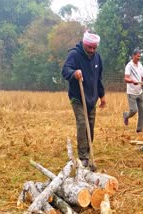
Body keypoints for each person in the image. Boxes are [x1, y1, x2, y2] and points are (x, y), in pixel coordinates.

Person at [62, 30, 106, 167]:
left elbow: (98, 79)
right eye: (89, 47)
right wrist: (74, 72)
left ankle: (88, 151)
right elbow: (65, 70)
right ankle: (83, 157)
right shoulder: (74, 54)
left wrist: (102, 96)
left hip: (91, 98)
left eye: (94, 47)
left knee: (90, 125)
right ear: (84, 44)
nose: (92, 50)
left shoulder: (98, 58)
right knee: (82, 123)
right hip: (77, 97)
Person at [123, 49, 143, 133]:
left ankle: (139, 130)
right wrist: (132, 81)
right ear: (133, 56)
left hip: (140, 91)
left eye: (140, 56)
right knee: (134, 110)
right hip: (131, 92)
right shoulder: (129, 66)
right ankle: (126, 115)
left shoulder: (140, 65)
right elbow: (126, 78)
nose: (139, 58)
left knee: (142, 111)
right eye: (138, 56)